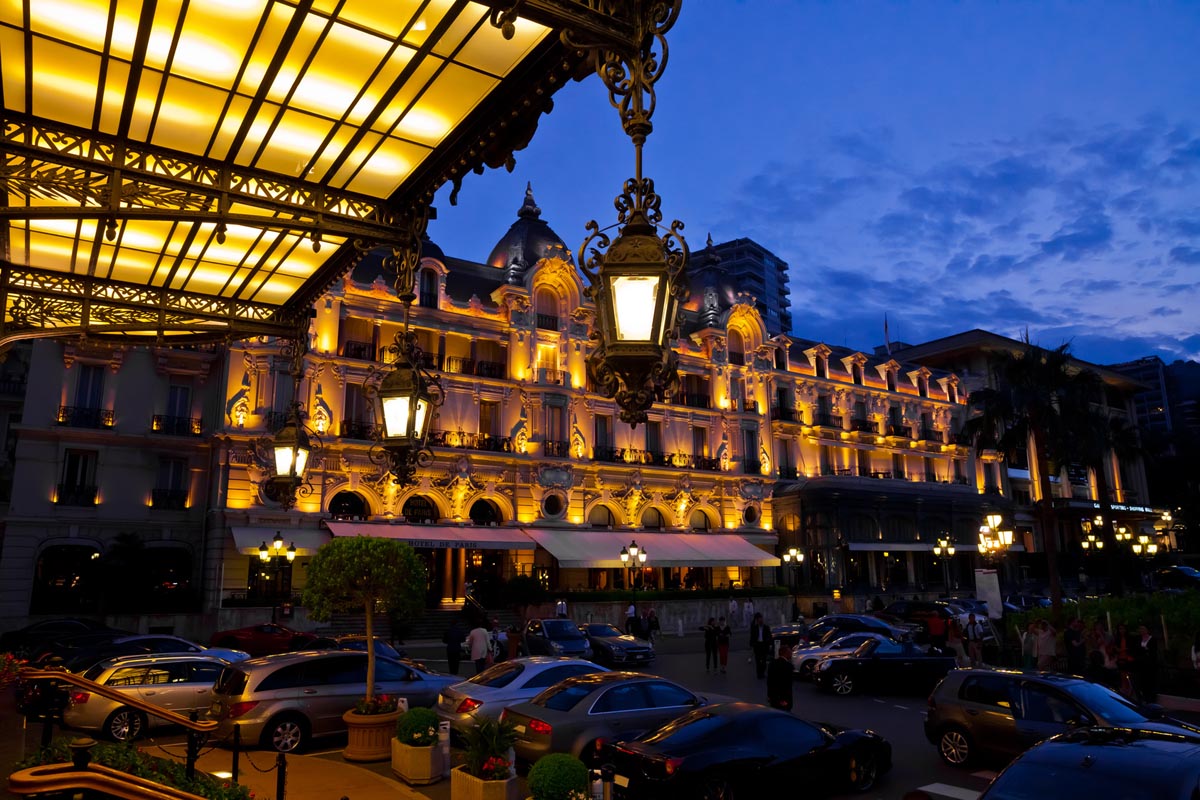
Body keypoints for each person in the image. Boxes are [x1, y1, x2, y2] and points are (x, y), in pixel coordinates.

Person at [767, 643, 794, 712]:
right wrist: (783, 699)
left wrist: (769, 696)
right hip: (784, 700)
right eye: (790, 652)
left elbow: (769, 682)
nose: (791, 654)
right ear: (785, 653)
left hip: (773, 698)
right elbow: (785, 685)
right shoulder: (788, 666)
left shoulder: (772, 664)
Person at [1135, 623, 1158, 702]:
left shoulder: (1152, 639)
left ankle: (1152, 698)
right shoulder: (1138, 639)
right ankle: (1144, 697)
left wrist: (1146, 650)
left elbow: (1153, 651)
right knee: (1142, 682)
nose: (1141, 630)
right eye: (1140, 629)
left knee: (1150, 682)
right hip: (1141, 664)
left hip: (1150, 664)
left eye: (1143, 629)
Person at [749, 611, 773, 679]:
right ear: (757, 620)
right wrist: (751, 645)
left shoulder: (766, 627)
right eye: (758, 620)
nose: (760, 621)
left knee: (764, 660)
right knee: (758, 660)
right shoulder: (754, 628)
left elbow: (769, 636)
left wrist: (770, 644)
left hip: (764, 645)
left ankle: (762, 672)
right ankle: (759, 674)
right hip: (757, 645)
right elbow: (752, 636)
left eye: (761, 619)